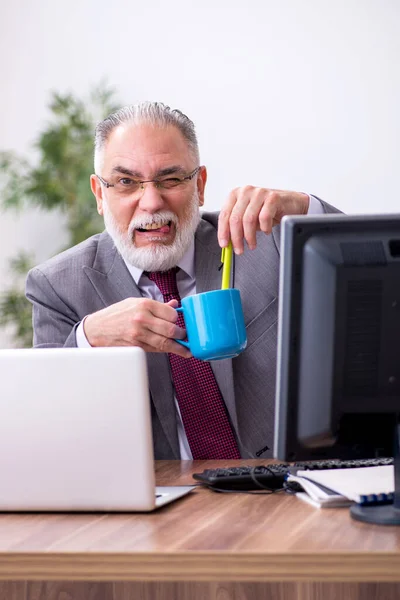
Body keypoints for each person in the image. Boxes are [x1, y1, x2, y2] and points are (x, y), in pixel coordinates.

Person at [26, 102, 340, 460]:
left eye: (171, 179)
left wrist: (305, 210)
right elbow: (43, 424)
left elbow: (367, 277)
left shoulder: (263, 237)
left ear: (200, 185)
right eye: (127, 182)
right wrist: (87, 340)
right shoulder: (57, 287)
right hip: (161, 503)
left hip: (286, 487)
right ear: (100, 194)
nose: (151, 201)